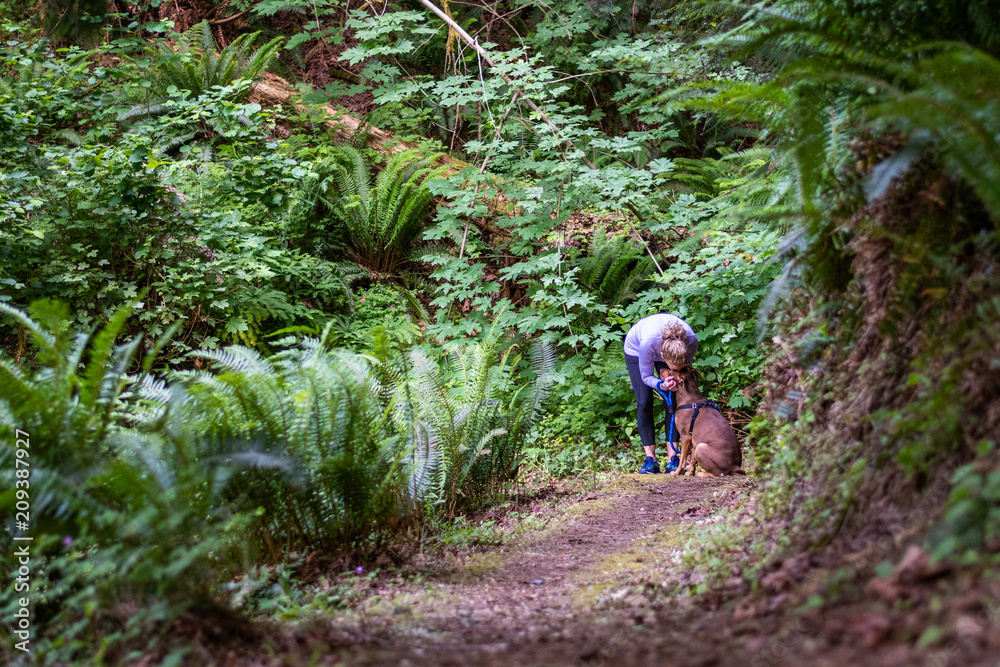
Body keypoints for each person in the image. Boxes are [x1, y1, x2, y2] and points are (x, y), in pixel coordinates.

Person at [623, 313, 698, 474]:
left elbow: (686, 371)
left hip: (672, 348)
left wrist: (675, 379)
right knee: (644, 401)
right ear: (663, 357)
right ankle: (650, 460)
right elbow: (646, 377)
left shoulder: (691, 340)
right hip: (636, 350)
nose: (673, 372)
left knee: (674, 401)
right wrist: (660, 383)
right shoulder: (647, 344)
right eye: (672, 368)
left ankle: (673, 459)